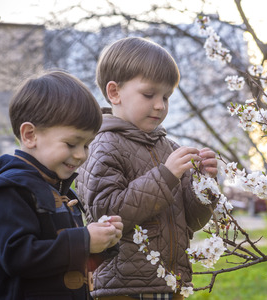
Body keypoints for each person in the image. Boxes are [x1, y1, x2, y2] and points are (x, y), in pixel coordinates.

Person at [76, 37, 219, 300]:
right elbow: (107, 213)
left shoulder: (170, 148)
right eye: (149, 94)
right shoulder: (101, 145)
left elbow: (193, 222)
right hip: (122, 289)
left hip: (171, 283)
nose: (160, 105)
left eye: (166, 96)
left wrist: (204, 185)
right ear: (114, 92)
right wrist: (165, 176)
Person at [0, 70, 123, 300]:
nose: (80, 155)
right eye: (72, 143)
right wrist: (83, 241)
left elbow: (64, 263)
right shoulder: (11, 190)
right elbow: (17, 257)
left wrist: (101, 244)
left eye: (86, 145)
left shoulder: (61, 190)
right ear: (30, 135)